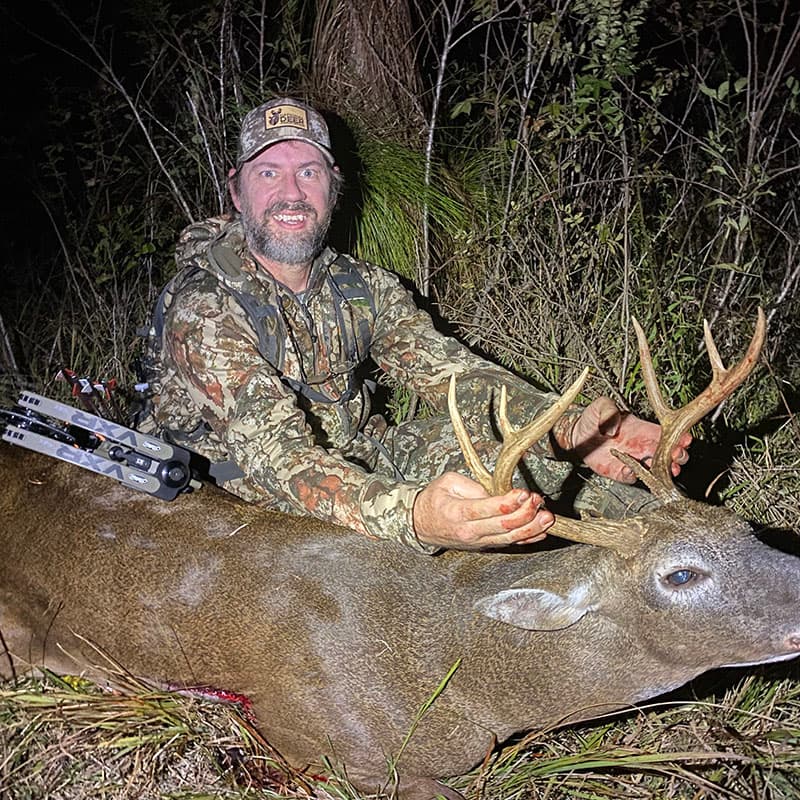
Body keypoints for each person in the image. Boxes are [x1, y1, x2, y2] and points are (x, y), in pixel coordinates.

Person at [140, 97, 691, 554]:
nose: (291, 193)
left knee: (515, 469)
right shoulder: (204, 306)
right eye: (269, 173)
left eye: (308, 172)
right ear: (237, 191)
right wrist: (415, 515)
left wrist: (572, 432)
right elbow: (280, 458)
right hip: (241, 498)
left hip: (361, 456)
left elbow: (455, 376)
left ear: (333, 189)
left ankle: (683, 540)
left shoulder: (362, 286)